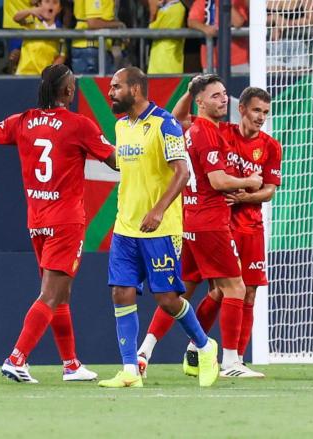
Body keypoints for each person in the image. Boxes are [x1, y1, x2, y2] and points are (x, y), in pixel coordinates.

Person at [0, 64, 114, 383]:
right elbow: (114, 160)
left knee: (58, 294)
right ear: (66, 91)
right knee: (51, 294)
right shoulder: (79, 125)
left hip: (37, 221)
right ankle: (16, 358)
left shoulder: (23, 121)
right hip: (66, 221)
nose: (75, 88)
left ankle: (70, 364)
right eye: (73, 85)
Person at [137, 86, 281, 378]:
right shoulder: (215, 131)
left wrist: (247, 194)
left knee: (198, 291)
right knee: (234, 289)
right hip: (214, 222)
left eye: (265, 112)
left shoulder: (269, 145)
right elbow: (217, 180)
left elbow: (269, 190)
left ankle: (156, 350)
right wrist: (248, 182)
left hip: (231, 223)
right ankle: (228, 361)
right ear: (242, 109)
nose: (261, 117)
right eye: (256, 110)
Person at [99, 67, 219, 388]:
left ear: (136, 89)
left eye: (116, 87)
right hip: (126, 226)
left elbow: (182, 172)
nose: (110, 93)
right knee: (121, 292)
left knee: (167, 299)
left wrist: (158, 209)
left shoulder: (165, 124)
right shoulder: (121, 126)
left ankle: (206, 348)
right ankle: (129, 370)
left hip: (161, 228)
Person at [13, 0, 66, 76]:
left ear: (59, 9)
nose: (50, 5)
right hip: (24, 73)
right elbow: (16, 18)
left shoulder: (60, 31)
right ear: (39, 4)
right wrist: (30, 11)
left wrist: (50, 73)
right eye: (47, 1)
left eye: (55, 2)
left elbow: (61, 56)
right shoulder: (32, 23)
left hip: (44, 76)